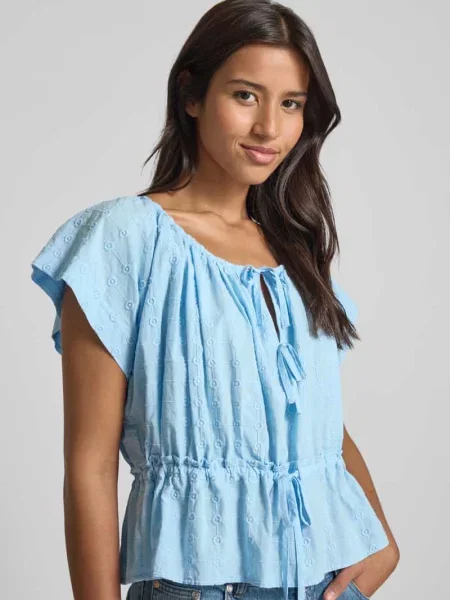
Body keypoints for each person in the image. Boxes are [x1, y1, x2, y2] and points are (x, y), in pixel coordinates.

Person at [30, 1, 400, 599]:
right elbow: (90, 467)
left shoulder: (293, 247)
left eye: (291, 104)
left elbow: (313, 418)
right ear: (192, 95)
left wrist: (380, 539)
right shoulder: (124, 239)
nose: (269, 128)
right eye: (246, 95)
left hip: (322, 580)